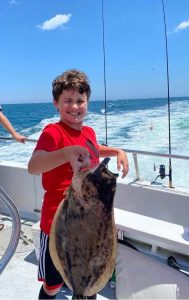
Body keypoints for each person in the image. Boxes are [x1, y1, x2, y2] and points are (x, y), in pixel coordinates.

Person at [28, 69, 129, 299]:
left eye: (80, 101)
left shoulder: (89, 132)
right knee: (52, 285)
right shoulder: (52, 133)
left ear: (88, 102)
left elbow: (93, 148)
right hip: (57, 225)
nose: (75, 106)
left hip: (90, 225)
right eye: (68, 101)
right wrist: (67, 153)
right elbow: (34, 165)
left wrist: (117, 151)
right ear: (56, 103)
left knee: (89, 283)